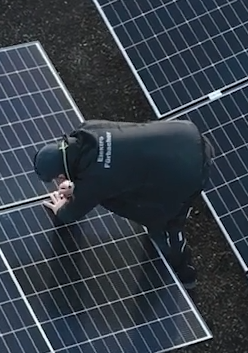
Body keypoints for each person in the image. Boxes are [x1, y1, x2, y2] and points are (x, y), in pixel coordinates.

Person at [33, 119, 213, 288]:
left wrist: (61, 209)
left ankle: (185, 271)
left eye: (58, 177)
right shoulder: (86, 130)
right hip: (184, 133)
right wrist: (80, 185)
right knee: (121, 186)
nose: (59, 180)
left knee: (165, 219)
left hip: (190, 168)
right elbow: (111, 163)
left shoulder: (96, 181)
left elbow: (71, 213)